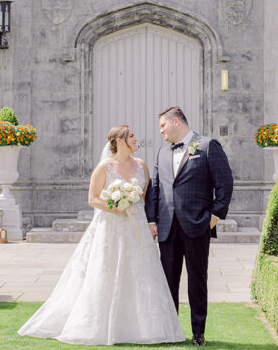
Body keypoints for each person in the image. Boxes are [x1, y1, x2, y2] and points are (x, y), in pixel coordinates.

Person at [18, 125, 185, 345]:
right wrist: (116, 205)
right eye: (132, 136)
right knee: (106, 271)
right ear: (119, 141)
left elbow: (145, 197)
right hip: (110, 226)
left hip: (137, 228)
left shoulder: (141, 165)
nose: (136, 139)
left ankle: (146, 328)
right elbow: (93, 199)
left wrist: (144, 216)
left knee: (140, 273)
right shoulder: (104, 167)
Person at [145, 106, 234, 347]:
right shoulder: (162, 153)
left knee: (197, 280)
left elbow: (224, 183)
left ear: (176, 122)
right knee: (167, 283)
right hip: (167, 228)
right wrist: (152, 220)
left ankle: (198, 333)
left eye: (163, 126)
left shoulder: (207, 146)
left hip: (197, 225)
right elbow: (155, 190)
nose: (161, 131)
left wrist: (215, 216)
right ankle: (170, 331)